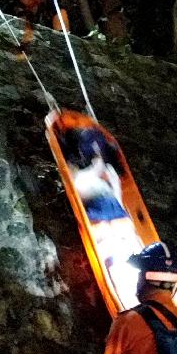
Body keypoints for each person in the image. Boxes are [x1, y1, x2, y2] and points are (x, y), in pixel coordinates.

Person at [60, 126, 142, 310]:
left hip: (108, 210)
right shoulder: (90, 179)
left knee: (117, 233)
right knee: (117, 233)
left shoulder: (92, 179)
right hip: (108, 210)